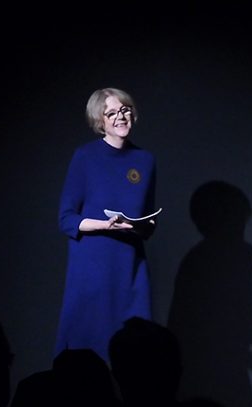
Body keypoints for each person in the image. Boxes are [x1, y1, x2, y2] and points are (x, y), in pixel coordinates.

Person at [55, 87, 158, 362]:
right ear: (100, 122)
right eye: (111, 113)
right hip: (93, 266)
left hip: (131, 265)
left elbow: (147, 221)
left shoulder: (145, 161)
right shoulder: (85, 157)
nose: (120, 117)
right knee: (91, 348)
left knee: (137, 352)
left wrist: (143, 226)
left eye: (124, 110)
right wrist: (104, 225)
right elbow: (66, 219)